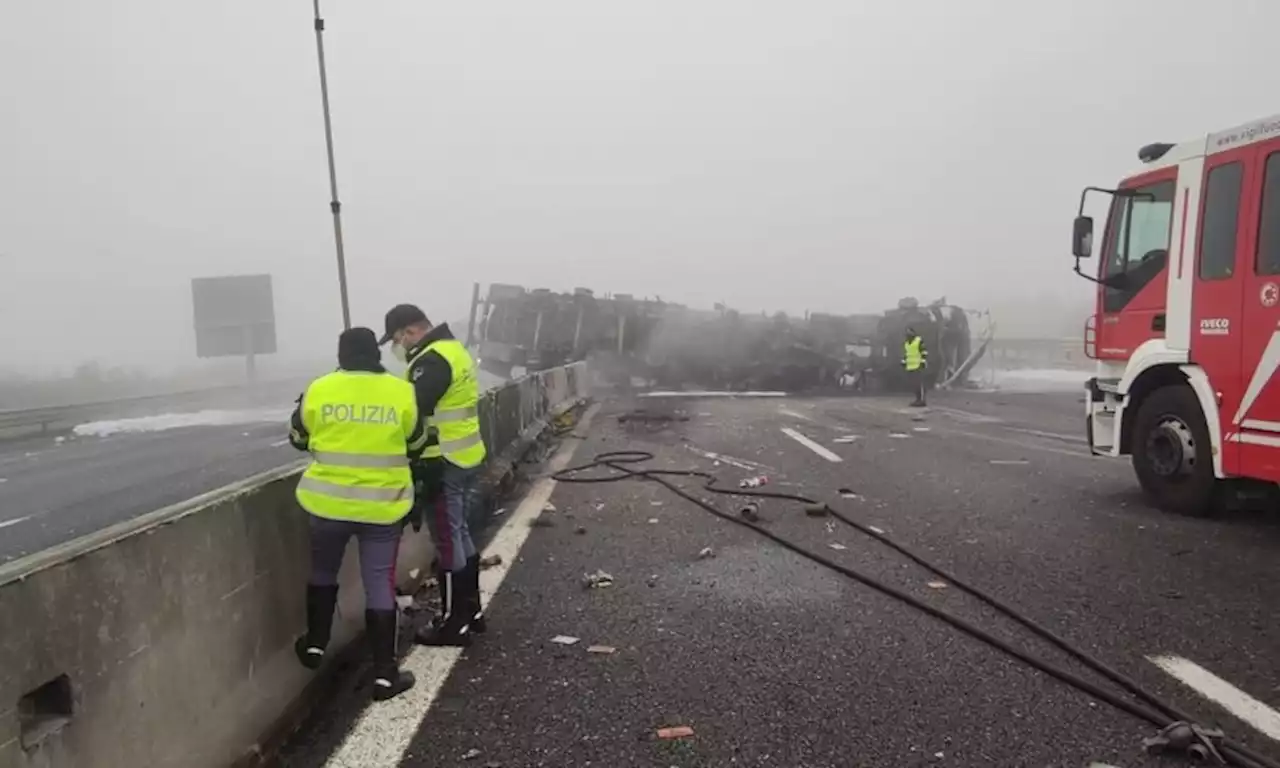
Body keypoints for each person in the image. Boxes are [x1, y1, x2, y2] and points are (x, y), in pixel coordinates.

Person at [288, 327, 430, 701]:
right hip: (383, 507)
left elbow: (298, 437)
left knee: (322, 572)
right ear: (376, 354)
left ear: (341, 355)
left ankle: (316, 644)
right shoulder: (402, 391)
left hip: (327, 504)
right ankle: (385, 674)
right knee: (379, 584)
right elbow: (417, 443)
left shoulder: (319, 389)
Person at [380, 304, 488, 648]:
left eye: (398, 339)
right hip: (466, 455)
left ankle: (454, 624)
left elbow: (414, 412)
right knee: (461, 535)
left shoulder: (430, 360)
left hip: (442, 462)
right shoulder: (454, 349)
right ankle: (471, 612)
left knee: (447, 541)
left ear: (410, 332)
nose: (398, 347)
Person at [903, 326, 929, 407]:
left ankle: (922, 400)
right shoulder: (906, 343)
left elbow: (924, 352)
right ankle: (917, 399)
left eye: (910, 332)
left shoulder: (918, 341)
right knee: (914, 385)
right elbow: (907, 354)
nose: (908, 334)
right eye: (907, 332)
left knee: (919, 384)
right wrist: (904, 362)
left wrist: (923, 361)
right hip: (910, 366)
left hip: (918, 365)